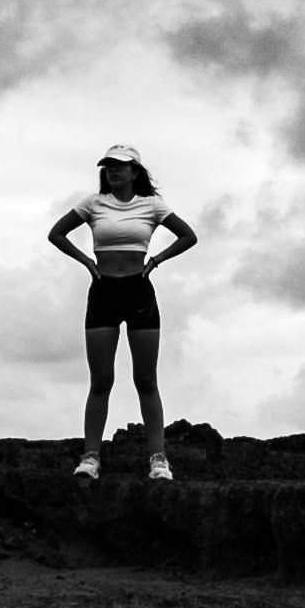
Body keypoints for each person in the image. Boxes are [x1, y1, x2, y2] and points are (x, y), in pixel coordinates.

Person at [47, 143, 197, 480]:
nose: (113, 171)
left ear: (135, 172)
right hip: (104, 292)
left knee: (145, 379)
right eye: (108, 166)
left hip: (138, 291)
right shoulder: (93, 203)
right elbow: (56, 233)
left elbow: (188, 236)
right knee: (101, 380)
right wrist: (86, 260)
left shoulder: (152, 205)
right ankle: (90, 457)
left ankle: (158, 459)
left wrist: (156, 260)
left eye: (120, 166)